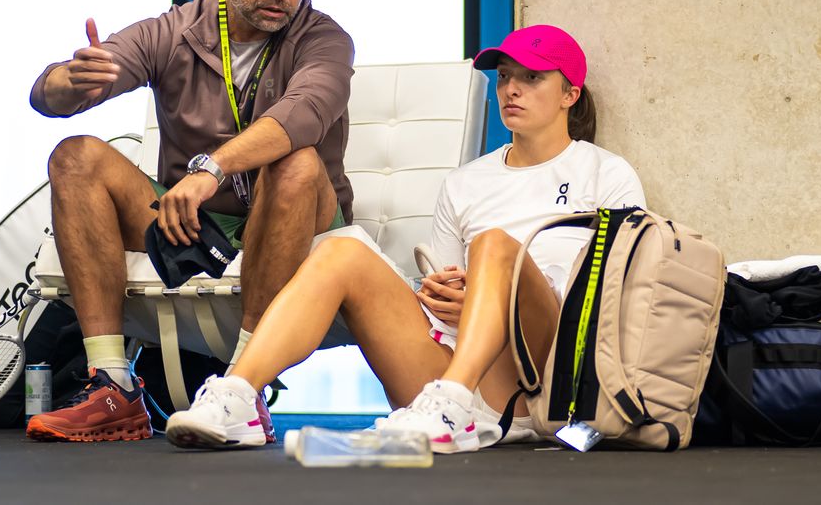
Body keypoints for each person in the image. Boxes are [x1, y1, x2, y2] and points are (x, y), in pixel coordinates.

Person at [164, 24, 646, 452]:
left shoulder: (605, 173)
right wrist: (449, 301)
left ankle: (453, 404)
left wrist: (493, 296)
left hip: (548, 372)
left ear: (570, 94)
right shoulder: (466, 182)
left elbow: (616, 304)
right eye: (505, 77)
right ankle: (238, 395)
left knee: (494, 246)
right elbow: (442, 296)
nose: (512, 90)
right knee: (341, 248)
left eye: (532, 78)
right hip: (451, 378)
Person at [24, 0, 354, 443]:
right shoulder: (175, 30)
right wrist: (69, 82)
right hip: (196, 221)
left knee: (295, 162)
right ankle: (112, 386)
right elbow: (49, 96)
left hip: (300, 212)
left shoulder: (324, 39)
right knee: (76, 155)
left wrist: (210, 169)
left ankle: (241, 391)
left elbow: (303, 115)